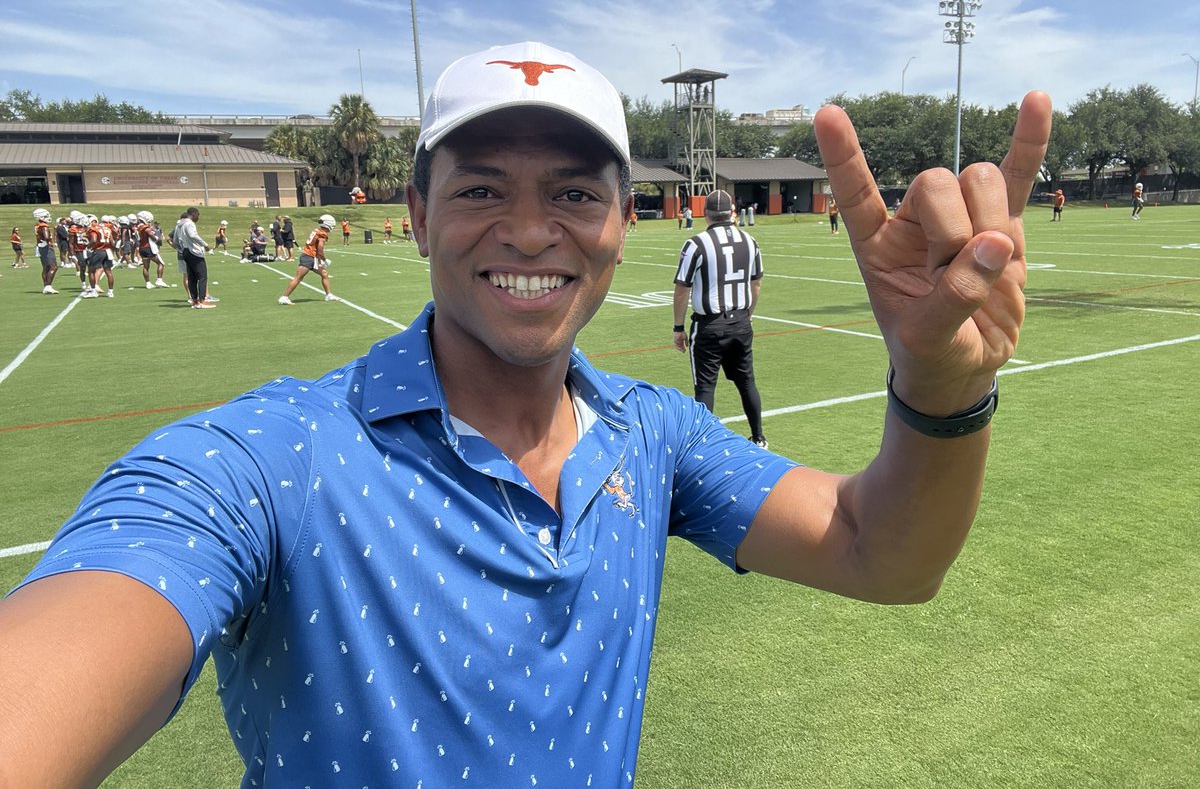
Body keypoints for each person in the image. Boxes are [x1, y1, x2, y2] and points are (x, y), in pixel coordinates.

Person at [0, 40, 1052, 788]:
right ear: (414, 214)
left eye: (576, 194)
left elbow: (888, 557)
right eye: (479, 191)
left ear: (621, 223)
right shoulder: (264, 460)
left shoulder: (654, 434)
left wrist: (944, 386)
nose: (532, 230)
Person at [672, 189, 769, 448]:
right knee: (747, 382)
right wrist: (748, 315)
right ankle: (759, 436)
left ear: (706, 214)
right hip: (740, 321)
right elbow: (756, 284)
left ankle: (703, 445)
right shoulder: (750, 241)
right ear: (732, 211)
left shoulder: (697, 243)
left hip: (710, 325)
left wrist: (678, 327)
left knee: (705, 387)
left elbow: (683, 287)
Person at [278, 214, 336, 304]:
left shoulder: (317, 230)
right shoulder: (322, 234)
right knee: (298, 278)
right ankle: (284, 297)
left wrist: (320, 260)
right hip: (308, 257)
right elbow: (320, 251)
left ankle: (328, 295)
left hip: (312, 258)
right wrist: (325, 259)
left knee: (324, 274)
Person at [175, 207, 214, 308]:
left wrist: (181, 248)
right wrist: (205, 245)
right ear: (193, 214)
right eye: (198, 215)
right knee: (202, 276)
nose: (198, 217)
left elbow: (175, 240)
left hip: (185, 251)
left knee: (192, 278)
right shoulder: (189, 223)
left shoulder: (179, 225)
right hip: (194, 252)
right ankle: (202, 301)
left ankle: (195, 301)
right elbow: (193, 236)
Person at [136, 211, 169, 289]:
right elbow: (151, 235)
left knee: (146, 266)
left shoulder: (137, 227)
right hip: (148, 248)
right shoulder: (145, 228)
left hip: (142, 248)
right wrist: (156, 238)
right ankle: (159, 280)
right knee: (161, 263)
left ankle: (148, 283)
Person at [33, 208, 59, 293]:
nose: (48, 217)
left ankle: (46, 286)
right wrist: (49, 242)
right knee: (53, 266)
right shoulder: (43, 226)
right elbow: (46, 236)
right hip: (46, 247)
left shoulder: (37, 225)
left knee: (46, 267)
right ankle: (48, 286)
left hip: (41, 246)